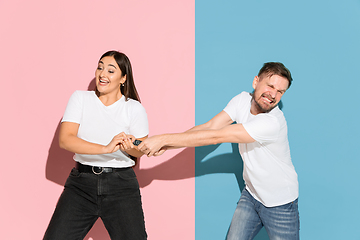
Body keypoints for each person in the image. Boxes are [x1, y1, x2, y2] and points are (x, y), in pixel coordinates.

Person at [138, 62, 299, 240]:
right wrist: (167, 146)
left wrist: (163, 139)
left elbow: (216, 137)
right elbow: (210, 127)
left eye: (280, 91)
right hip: (252, 194)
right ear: (256, 82)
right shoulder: (242, 100)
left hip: (280, 202)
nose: (273, 95)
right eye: (270, 86)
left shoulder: (272, 122)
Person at [43, 50, 148, 240]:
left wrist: (127, 146)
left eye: (110, 70)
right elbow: (65, 140)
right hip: (81, 184)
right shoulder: (80, 99)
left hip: (121, 186)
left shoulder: (134, 108)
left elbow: (139, 150)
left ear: (123, 78)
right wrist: (106, 148)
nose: (102, 74)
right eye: (100, 67)